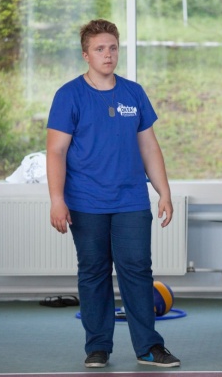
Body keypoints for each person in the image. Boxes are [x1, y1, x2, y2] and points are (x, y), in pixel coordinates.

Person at [46, 19, 180, 369]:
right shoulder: (69, 95)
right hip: (85, 201)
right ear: (86, 55)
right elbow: (56, 151)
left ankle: (149, 347)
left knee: (137, 270)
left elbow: (149, 147)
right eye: (100, 49)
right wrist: (57, 199)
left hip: (130, 200)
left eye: (113, 47)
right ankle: (98, 347)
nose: (108, 54)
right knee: (94, 272)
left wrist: (164, 192)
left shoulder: (134, 93)